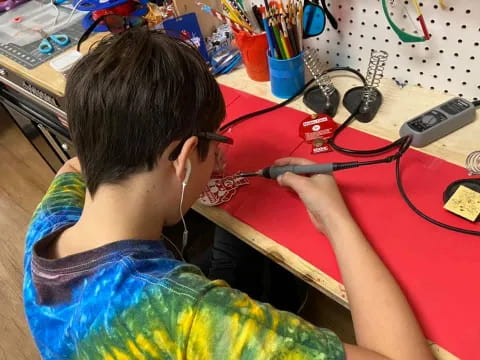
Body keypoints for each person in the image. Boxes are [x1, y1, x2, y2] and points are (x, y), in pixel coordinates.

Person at [23, 27, 434, 360]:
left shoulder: (46, 227)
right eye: (212, 144)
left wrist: (187, 167)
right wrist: (335, 218)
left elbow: (73, 167)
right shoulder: (189, 317)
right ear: (180, 157)